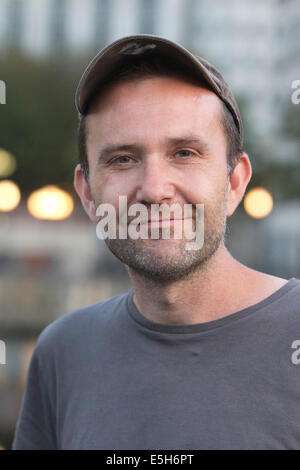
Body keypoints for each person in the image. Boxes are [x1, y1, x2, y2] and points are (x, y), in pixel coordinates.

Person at [12, 35, 300, 450]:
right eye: (122, 159)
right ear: (88, 193)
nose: (153, 189)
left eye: (184, 153)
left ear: (235, 182)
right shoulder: (63, 352)